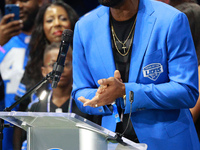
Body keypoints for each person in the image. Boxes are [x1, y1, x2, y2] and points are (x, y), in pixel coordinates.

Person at [72, 0, 200, 149]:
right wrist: (103, 96)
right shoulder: (84, 26)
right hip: (112, 142)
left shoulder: (171, 20)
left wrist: (126, 92)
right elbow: (80, 90)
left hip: (166, 142)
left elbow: (187, 91)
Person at [13, 2, 79, 149]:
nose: (56, 24)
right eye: (50, 20)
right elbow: (20, 113)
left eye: (62, 18)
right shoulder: (33, 67)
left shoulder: (85, 62)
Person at [0, 1, 42, 150]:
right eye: (12, 2)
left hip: (42, 128)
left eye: (24, 0)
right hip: (4, 133)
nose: (18, 6)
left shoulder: (51, 38)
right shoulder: (1, 39)